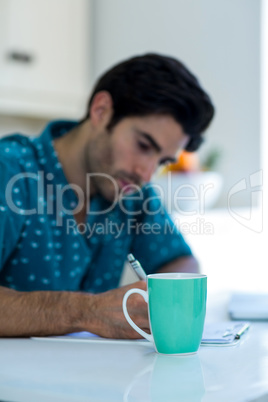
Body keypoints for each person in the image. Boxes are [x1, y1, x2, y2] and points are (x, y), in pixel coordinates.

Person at [0, 53, 214, 338]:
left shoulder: (132, 192)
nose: (146, 173)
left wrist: (165, 297)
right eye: (143, 145)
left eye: (162, 162)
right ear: (101, 110)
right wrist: (89, 312)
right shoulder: (10, 171)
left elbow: (179, 262)